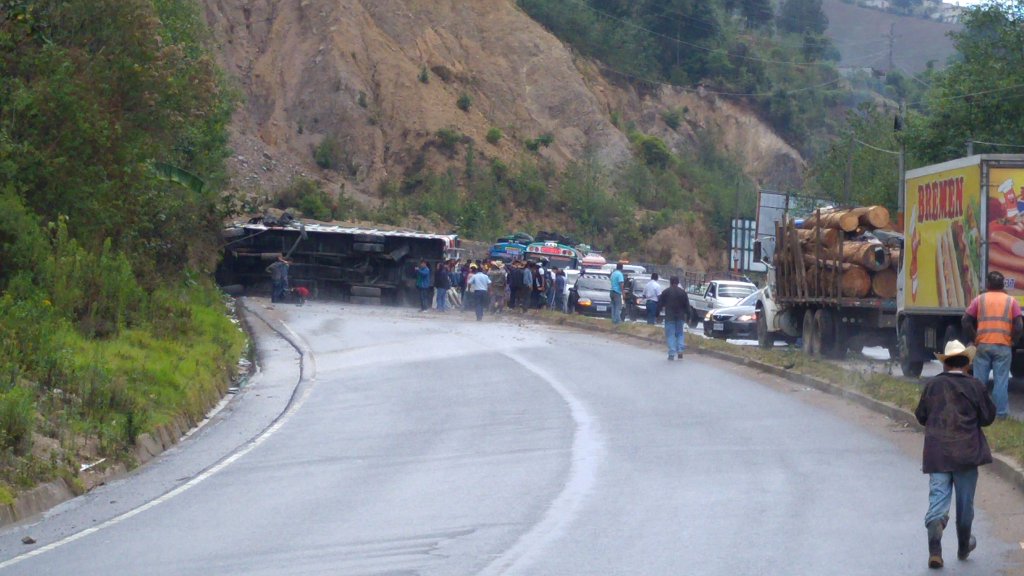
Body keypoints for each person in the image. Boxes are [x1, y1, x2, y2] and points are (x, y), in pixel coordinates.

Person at [914, 340, 996, 569]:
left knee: (938, 502)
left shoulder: (932, 386)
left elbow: (921, 415)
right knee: (965, 505)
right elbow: (988, 417)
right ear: (967, 365)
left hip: (938, 454)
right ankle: (963, 545)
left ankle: (935, 550)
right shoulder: (976, 386)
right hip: (967, 454)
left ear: (945, 365)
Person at [962, 270, 1023, 419]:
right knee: (1001, 381)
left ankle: (977, 413)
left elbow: (965, 320)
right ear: (1003, 285)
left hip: (983, 345)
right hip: (1003, 346)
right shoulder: (1011, 301)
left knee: (979, 382)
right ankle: (1000, 414)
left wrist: (975, 337)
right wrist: (1013, 340)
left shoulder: (979, 300)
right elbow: (1019, 325)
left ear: (988, 284)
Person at [658, 276, 690, 360]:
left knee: (670, 334)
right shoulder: (683, 292)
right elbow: (687, 306)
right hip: (680, 316)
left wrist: (657, 314)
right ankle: (680, 350)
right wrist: (689, 316)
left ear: (670, 282)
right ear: (678, 282)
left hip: (669, 316)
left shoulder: (666, 292)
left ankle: (672, 352)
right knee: (680, 333)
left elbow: (660, 304)